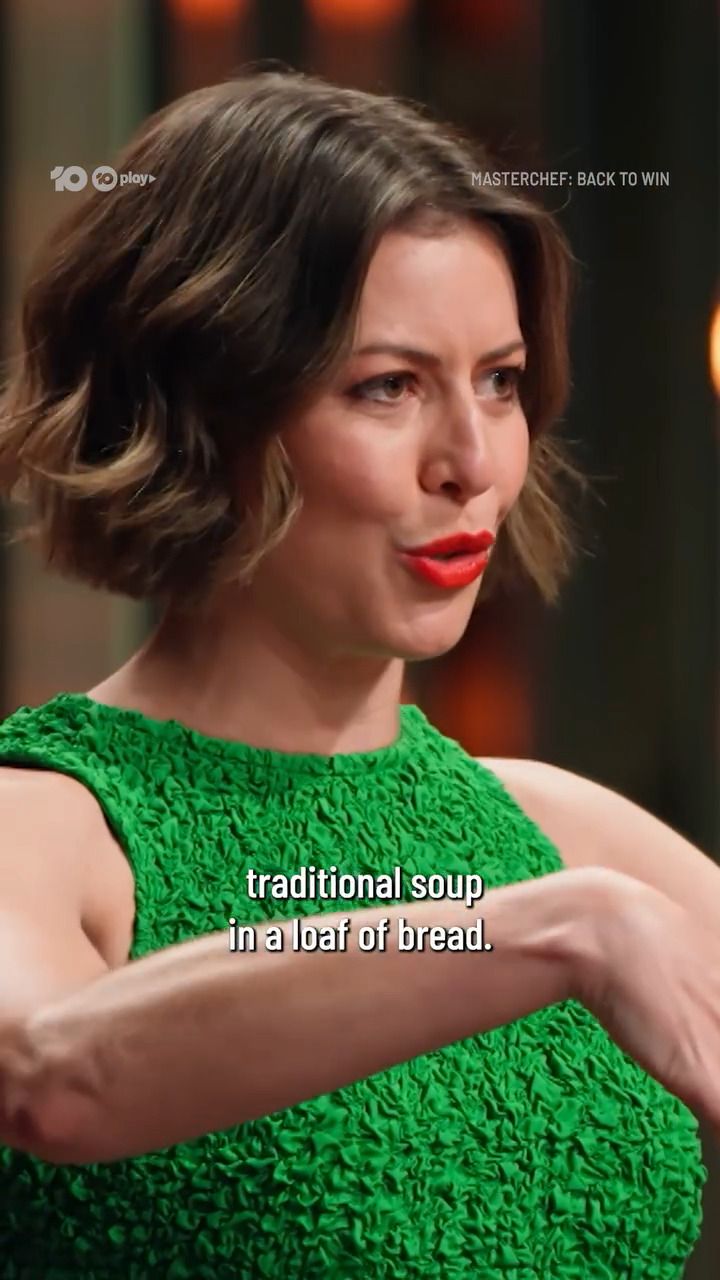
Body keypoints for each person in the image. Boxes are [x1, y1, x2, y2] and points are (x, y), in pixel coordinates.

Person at [0, 66, 715, 1279]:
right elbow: (51, 1073)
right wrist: (546, 930)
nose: (473, 459)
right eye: (388, 386)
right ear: (201, 412)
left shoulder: (561, 832)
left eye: (499, 380)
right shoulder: (46, 821)